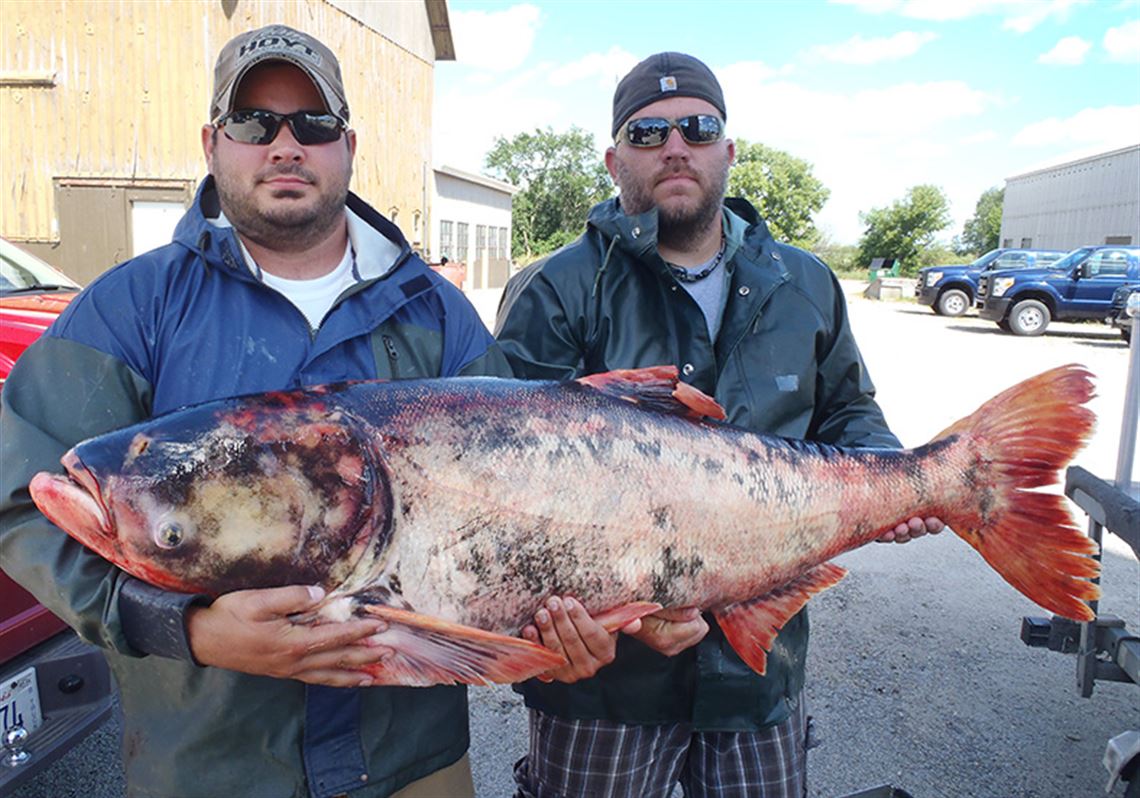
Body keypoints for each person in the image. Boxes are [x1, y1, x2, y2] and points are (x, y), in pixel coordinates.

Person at [0, 24, 512, 798]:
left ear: (347, 147)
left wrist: (556, 623)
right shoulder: (130, 311)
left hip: (414, 764)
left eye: (313, 124)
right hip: (212, 767)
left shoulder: (438, 316)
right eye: (253, 122)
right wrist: (183, 627)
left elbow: (524, 504)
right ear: (213, 141)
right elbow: (22, 501)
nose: (283, 144)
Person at [495, 52, 943, 798]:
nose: (675, 147)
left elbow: (849, 410)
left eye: (697, 128)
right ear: (614, 160)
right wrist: (627, 619)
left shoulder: (805, 283)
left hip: (756, 669)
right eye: (648, 134)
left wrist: (888, 475)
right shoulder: (557, 289)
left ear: (727, 151)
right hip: (604, 687)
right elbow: (507, 482)